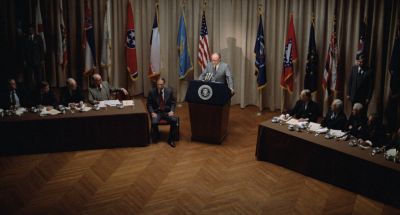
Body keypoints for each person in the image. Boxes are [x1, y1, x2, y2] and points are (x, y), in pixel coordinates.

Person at [146, 78, 178, 148]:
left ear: (164, 84)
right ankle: (157, 135)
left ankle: (170, 139)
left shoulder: (169, 91)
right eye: (158, 84)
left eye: (161, 84)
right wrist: (152, 112)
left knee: (174, 121)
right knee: (154, 122)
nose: (159, 86)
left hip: (167, 112)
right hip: (157, 112)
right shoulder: (152, 92)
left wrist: (172, 111)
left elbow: (173, 102)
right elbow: (149, 104)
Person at [24, 25, 45, 90]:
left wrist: (42, 59)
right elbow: (23, 51)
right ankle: (31, 91)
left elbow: (41, 49)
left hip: (37, 61)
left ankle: (39, 90)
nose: (30, 31)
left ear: (34, 30)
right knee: (29, 78)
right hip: (28, 61)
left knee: (38, 77)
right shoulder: (25, 38)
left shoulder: (38, 37)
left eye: (31, 29)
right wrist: (24, 60)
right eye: (29, 30)